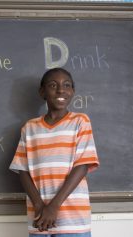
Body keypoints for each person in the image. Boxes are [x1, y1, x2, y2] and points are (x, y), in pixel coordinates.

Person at [9, 68, 99, 237]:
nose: (61, 90)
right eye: (53, 85)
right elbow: (22, 170)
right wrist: (40, 207)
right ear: (42, 92)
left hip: (73, 220)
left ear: (72, 91)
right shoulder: (30, 128)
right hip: (39, 217)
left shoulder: (80, 121)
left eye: (67, 85)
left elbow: (82, 166)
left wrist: (53, 207)